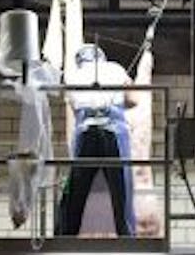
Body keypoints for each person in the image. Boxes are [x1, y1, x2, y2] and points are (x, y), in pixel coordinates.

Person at [55, 43, 137, 237]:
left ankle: (64, 237)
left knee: (75, 190)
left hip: (86, 132)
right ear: (102, 57)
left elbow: (74, 107)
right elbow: (133, 100)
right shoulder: (116, 69)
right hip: (113, 133)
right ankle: (127, 239)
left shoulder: (71, 75)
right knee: (121, 190)